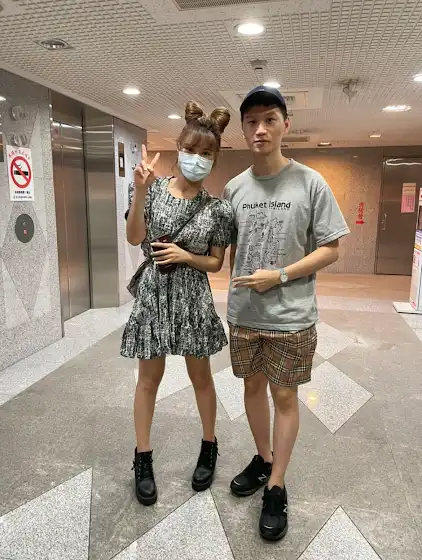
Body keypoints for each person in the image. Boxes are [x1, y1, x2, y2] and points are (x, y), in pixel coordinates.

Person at [224, 86, 350, 541]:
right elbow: (225, 251)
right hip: (244, 313)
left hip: (291, 315)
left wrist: (278, 275)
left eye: (270, 120)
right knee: (251, 387)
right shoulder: (234, 188)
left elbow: (331, 248)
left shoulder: (310, 183)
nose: (260, 129)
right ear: (243, 129)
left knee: (285, 396)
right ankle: (263, 459)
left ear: (285, 126)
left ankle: (277, 484)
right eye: (252, 121)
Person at [121, 101, 233, 506]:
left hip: (193, 298)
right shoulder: (152, 190)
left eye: (206, 153)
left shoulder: (218, 209)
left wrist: (187, 256)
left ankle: (209, 445)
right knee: (148, 380)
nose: (197, 159)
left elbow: (216, 263)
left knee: (201, 377)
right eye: (191, 149)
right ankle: (143, 457)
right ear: (178, 148)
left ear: (214, 158)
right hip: (154, 293)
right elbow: (135, 237)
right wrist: (139, 189)